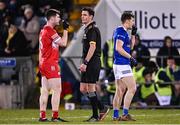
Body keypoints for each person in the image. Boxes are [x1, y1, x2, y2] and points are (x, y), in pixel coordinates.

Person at [38, 9, 69, 122]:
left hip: (44, 63)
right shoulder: (50, 31)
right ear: (51, 18)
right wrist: (66, 30)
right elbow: (64, 43)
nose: (59, 19)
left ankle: (42, 116)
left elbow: (40, 50)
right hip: (50, 62)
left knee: (45, 90)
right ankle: (55, 116)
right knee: (57, 89)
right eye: (57, 17)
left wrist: (40, 64)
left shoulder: (43, 31)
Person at [79, 7, 109, 122]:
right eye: (82, 15)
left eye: (85, 15)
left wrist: (85, 63)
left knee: (91, 88)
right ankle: (102, 107)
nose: (82, 16)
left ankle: (95, 116)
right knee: (83, 89)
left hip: (92, 62)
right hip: (86, 62)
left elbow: (93, 47)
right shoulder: (86, 29)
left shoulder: (93, 29)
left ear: (91, 17)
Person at [112, 11, 137, 121]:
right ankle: (125, 114)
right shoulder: (121, 31)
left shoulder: (123, 31)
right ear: (127, 21)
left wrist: (133, 35)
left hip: (118, 64)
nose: (133, 22)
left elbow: (130, 47)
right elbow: (118, 48)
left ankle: (116, 115)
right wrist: (131, 58)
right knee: (132, 88)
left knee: (120, 90)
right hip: (122, 64)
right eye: (132, 20)